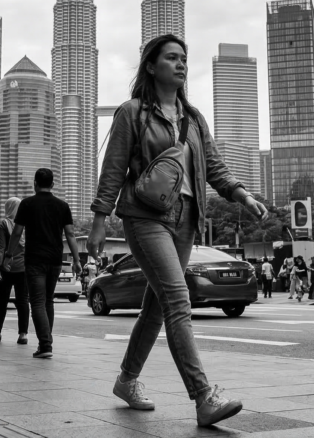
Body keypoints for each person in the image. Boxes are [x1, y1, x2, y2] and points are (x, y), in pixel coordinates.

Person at [88, 35, 269, 427]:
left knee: (155, 309)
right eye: (172, 58)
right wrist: (101, 220)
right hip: (144, 217)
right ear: (151, 67)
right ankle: (204, 396)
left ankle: (126, 379)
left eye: (184, 58)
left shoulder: (194, 118)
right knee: (177, 297)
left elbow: (215, 168)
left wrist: (242, 195)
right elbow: (114, 170)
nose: (181, 64)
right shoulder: (132, 113)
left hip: (186, 219)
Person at [9, 168, 82, 359]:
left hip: (34, 260)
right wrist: (76, 260)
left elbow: (17, 233)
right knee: (48, 301)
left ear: (34, 183)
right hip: (55, 260)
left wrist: (8, 255)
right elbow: (71, 234)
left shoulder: (26, 204)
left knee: (38, 303)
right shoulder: (62, 206)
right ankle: (46, 342)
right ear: (52, 184)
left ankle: (45, 345)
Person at [0, 197, 29, 344]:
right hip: (23, 268)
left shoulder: (4, 223)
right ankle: (23, 334)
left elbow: (0, 248)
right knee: (23, 301)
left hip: (7, 267)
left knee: (2, 301)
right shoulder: (26, 225)